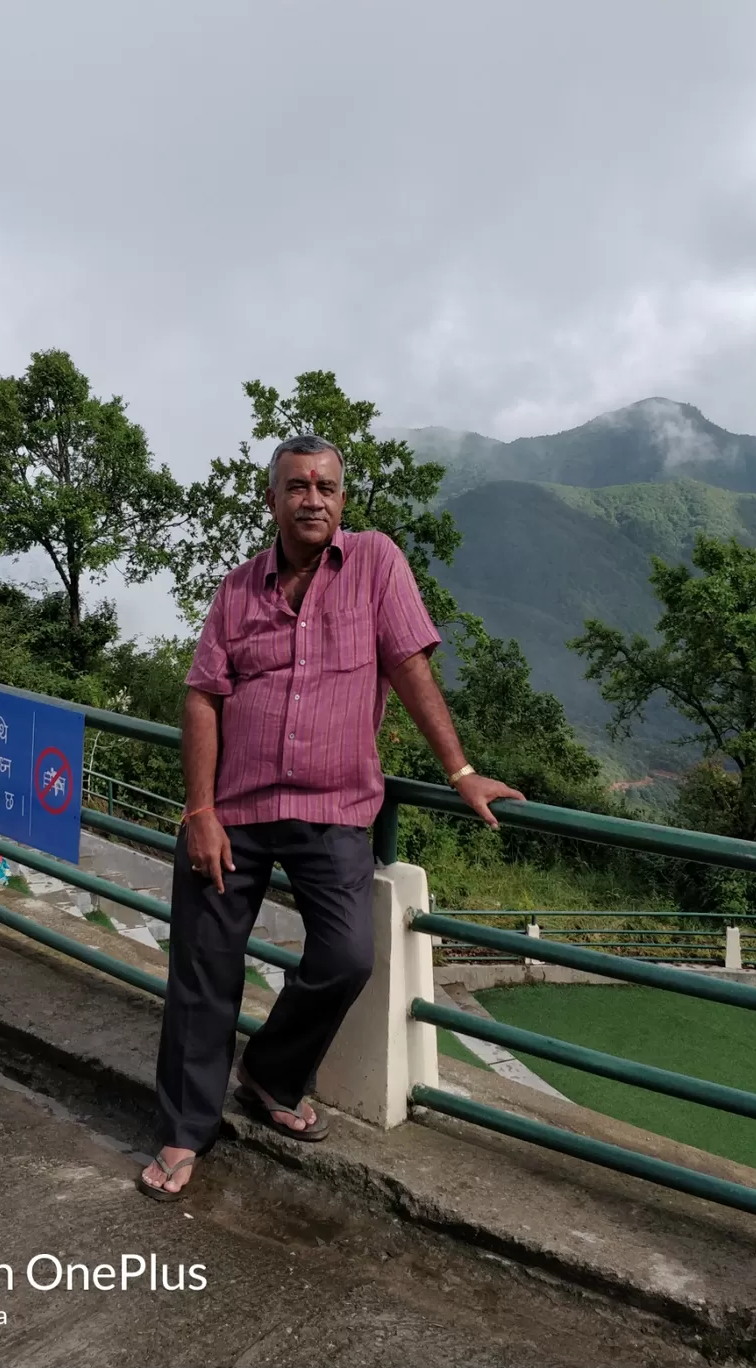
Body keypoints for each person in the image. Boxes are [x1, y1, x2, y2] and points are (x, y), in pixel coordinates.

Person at [139, 435, 524, 1201]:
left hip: (334, 808)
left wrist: (461, 771)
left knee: (347, 956)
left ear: (343, 500)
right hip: (237, 809)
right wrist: (201, 810)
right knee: (202, 970)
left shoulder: (376, 562)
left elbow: (409, 666)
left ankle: (271, 1073)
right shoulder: (237, 590)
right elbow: (203, 696)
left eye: (327, 486)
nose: (312, 498)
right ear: (272, 499)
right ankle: (185, 1129)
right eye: (296, 486)